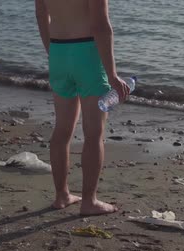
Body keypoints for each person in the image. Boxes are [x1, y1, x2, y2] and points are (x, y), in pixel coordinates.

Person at [35, 0, 129, 215]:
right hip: (87, 52)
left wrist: (52, 52)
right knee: (94, 132)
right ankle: (89, 201)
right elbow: (100, 26)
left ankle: (62, 196)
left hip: (58, 49)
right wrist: (112, 74)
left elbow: (41, 14)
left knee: (62, 130)